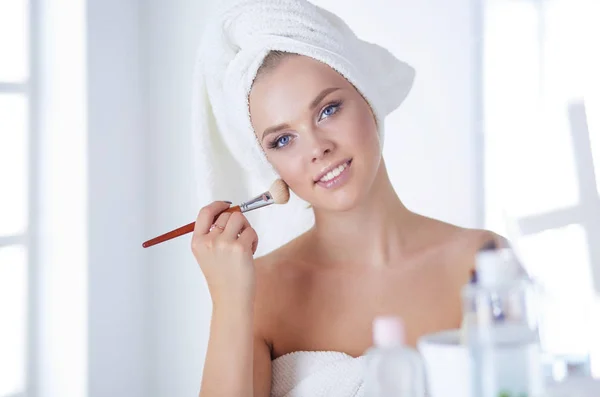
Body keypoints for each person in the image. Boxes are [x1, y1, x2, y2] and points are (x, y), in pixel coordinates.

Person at [190, 1, 502, 396]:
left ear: (367, 99)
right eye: (283, 139)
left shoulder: (482, 263)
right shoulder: (260, 291)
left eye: (328, 110)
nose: (317, 148)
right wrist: (230, 300)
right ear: (271, 165)